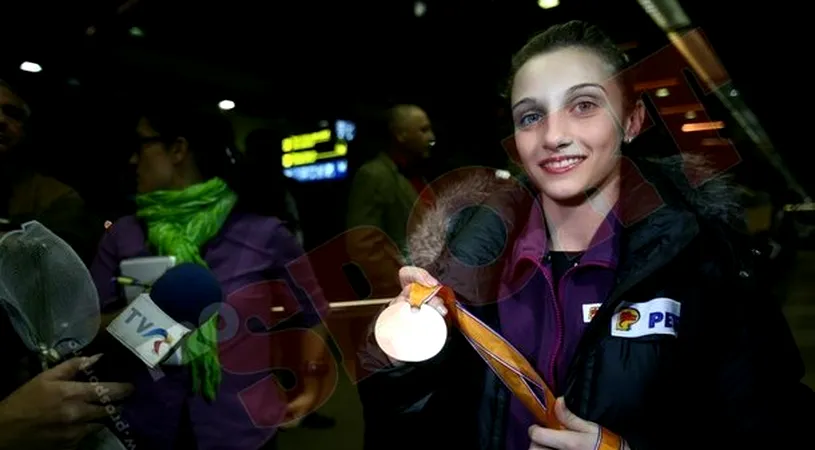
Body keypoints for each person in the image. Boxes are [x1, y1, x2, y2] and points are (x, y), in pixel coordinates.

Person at [359, 21, 814, 450]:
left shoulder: (704, 261)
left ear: (632, 122)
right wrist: (404, 361)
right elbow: (401, 429)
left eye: (584, 106)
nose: (554, 135)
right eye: (531, 116)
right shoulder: (462, 272)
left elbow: (771, 421)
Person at [89, 107, 329, 449]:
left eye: (141, 144)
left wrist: (309, 384)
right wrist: (149, 314)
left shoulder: (264, 232)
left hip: (242, 428)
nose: (132, 159)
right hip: (144, 425)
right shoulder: (122, 235)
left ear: (178, 149)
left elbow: (314, 311)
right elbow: (82, 328)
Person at [0, 79, 97, 264]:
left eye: (12, 114)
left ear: (25, 130)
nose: (1, 120)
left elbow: (58, 267)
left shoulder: (57, 198)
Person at [346, 104, 436, 297]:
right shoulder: (373, 176)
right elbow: (364, 244)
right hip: (404, 295)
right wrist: (401, 286)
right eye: (423, 130)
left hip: (429, 289)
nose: (431, 138)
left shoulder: (417, 177)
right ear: (400, 134)